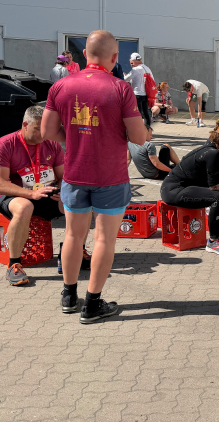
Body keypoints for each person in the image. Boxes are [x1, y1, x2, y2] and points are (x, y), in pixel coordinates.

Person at [42, 29, 147, 323]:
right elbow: (138, 137)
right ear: (115, 58)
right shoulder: (120, 88)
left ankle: (68, 295)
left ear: (85, 54)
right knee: (104, 240)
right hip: (111, 176)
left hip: (75, 173)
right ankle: (92, 304)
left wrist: (74, 139)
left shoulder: (61, 85)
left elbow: (47, 131)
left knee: (73, 236)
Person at [1, 106, 65, 286]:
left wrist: (63, 191)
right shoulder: (6, 144)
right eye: (38, 129)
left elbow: (63, 176)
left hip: (44, 192)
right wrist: (31, 193)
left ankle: (73, 251)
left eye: (46, 129)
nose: (43, 134)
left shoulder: (52, 144)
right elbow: (1, 183)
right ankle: (14, 265)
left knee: (78, 201)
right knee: (24, 207)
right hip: (14, 194)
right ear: (25, 125)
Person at [161, 125, 219, 254]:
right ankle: (213, 241)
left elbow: (216, 169)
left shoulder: (213, 150)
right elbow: (215, 186)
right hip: (174, 191)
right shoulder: (213, 153)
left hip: (182, 187)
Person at [124, 53, 155, 126]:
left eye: (131, 63)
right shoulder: (147, 68)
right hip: (146, 94)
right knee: (146, 113)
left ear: (133, 61)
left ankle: (138, 129)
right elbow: (152, 80)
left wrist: (124, 75)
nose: (131, 64)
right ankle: (148, 129)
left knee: (138, 113)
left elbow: (125, 79)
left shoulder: (136, 69)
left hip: (137, 94)